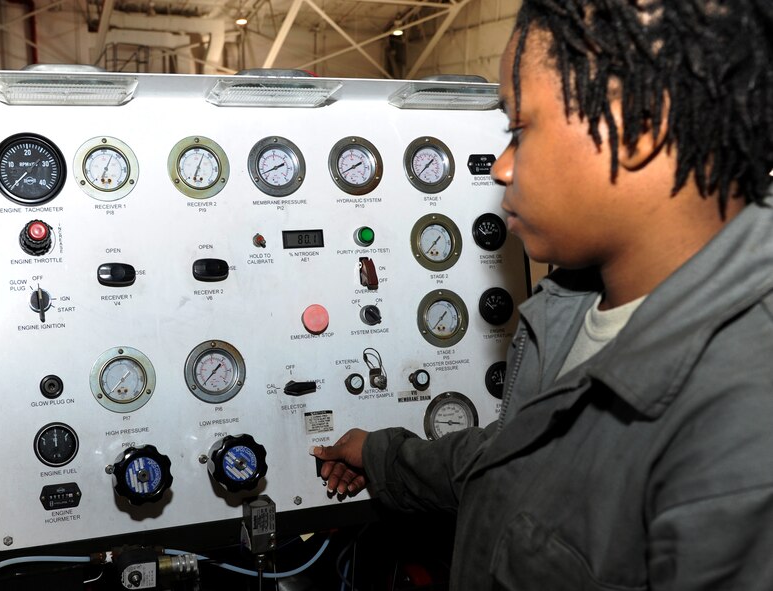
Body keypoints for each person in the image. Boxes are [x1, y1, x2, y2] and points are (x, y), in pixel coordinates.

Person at [312, 1, 773, 589]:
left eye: (519, 129)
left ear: (638, 128)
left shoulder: (745, 424)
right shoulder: (578, 307)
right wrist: (380, 456)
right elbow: (513, 458)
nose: (502, 168)